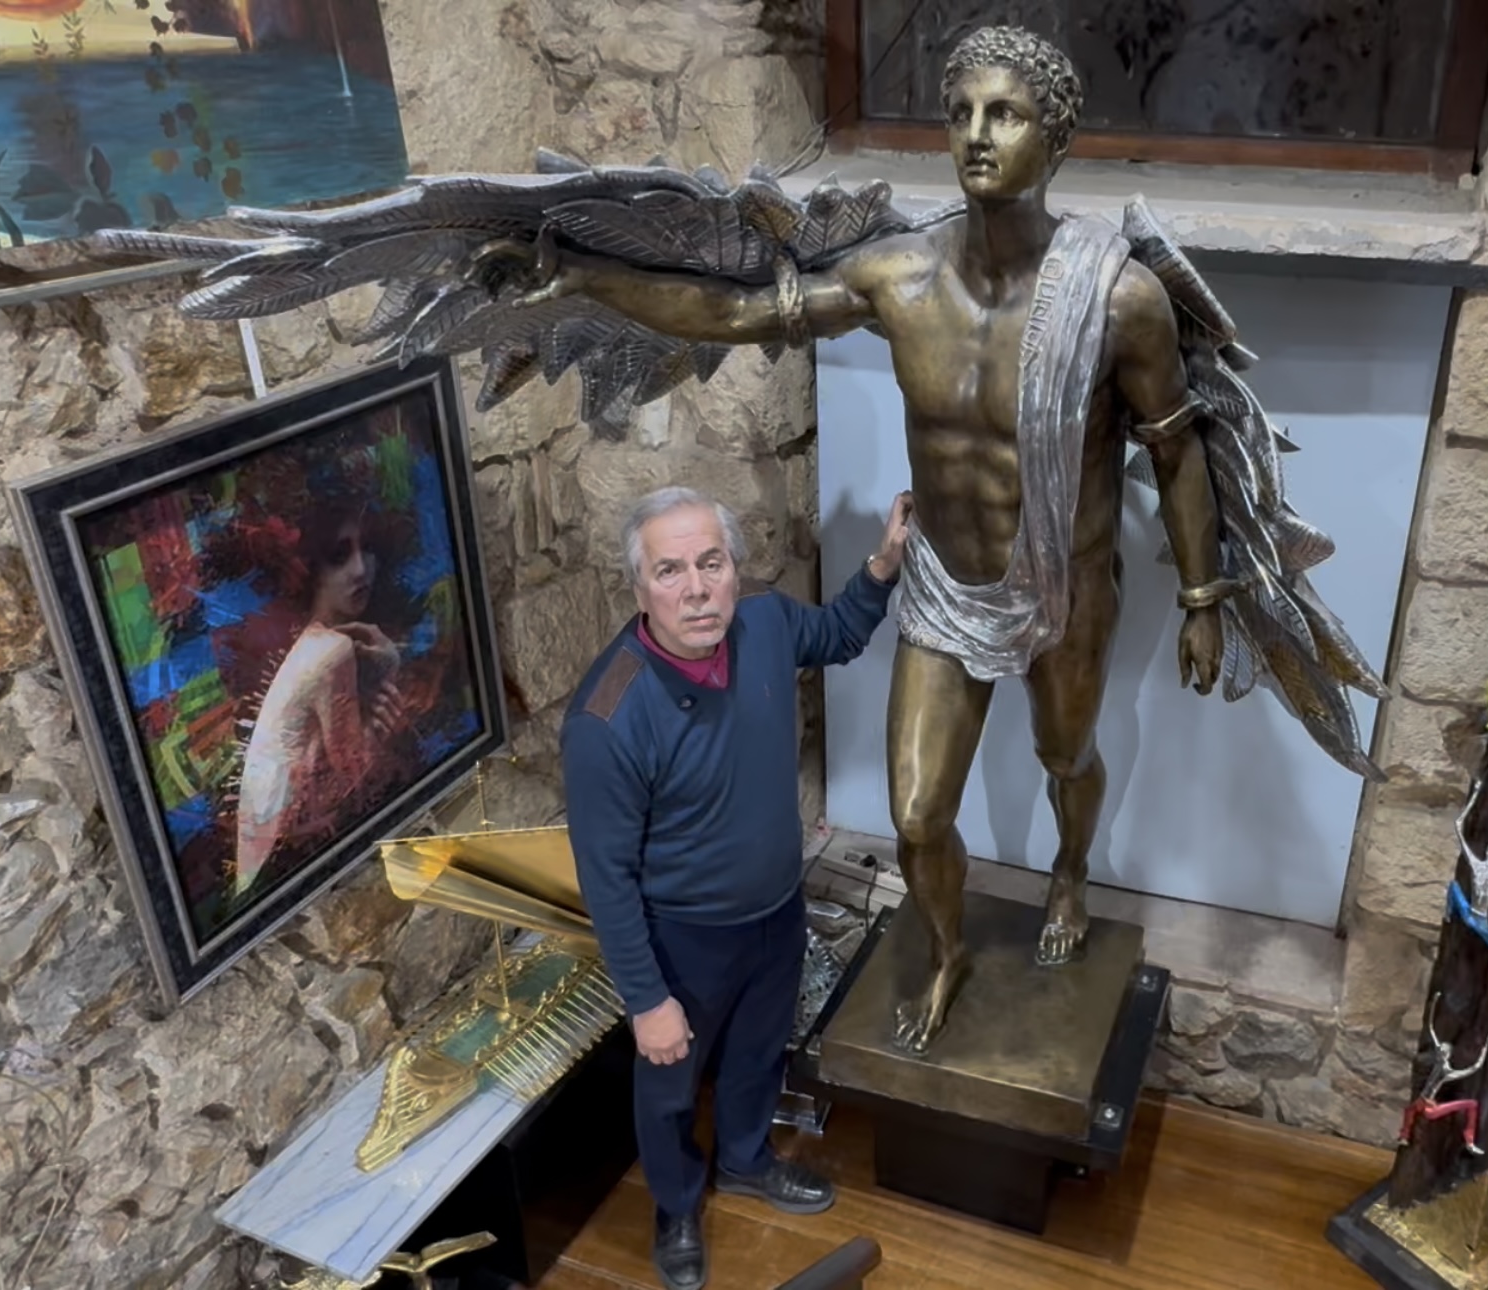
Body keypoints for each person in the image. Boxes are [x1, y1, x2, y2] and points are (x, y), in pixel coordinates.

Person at [529, 27, 1222, 1054]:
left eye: (1005, 115)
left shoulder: (1119, 298)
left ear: (1056, 139)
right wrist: (586, 279)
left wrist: (1204, 598)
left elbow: (1174, 449)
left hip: (1064, 588)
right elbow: (738, 314)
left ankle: (1071, 871)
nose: (977, 135)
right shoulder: (899, 276)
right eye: (961, 113)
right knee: (915, 815)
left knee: (1065, 752)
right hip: (943, 588)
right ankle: (945, 951)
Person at [560, 484, 911, 1290]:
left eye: (711, 563)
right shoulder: (606, 720)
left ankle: (746, 1162)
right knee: (669, 1086)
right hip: (682, 936)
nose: (697, 589)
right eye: (670, 570)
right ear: (639, 588)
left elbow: (840, 632)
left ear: (734, 569)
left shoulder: (765, 621)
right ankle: (676, 1207)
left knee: (758, 1054)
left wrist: (884, 565)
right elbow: (606, 878)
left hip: (776, 909)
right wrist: (647, 1000)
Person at [233, 490, 403, 900]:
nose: (361, 569)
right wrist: (391, 668)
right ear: (310, 568)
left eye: (367, 549)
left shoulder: (318, 642)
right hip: (281, 864)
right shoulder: (331, 651)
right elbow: (355, 774)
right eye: (339, 555)